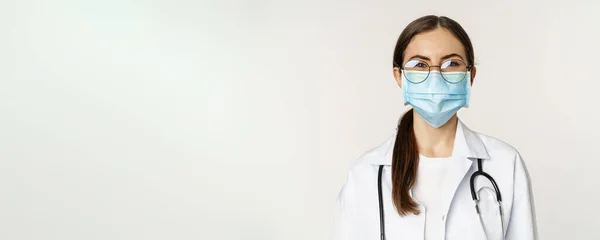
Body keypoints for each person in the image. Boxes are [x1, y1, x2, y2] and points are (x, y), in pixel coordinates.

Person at [334, 15, 536, 240]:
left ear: (470, 76)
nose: (435, 76)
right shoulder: (365, 174)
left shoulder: (505, 164)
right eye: (420, 64)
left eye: (452, 64)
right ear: (399, 76)